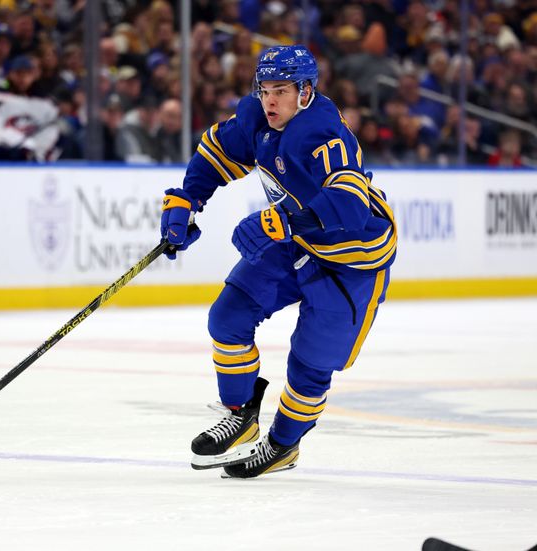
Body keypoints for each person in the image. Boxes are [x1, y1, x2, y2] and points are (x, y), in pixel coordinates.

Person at [159, 45, 397, 478]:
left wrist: (281, 221)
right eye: (265, 89)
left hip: (352, 259)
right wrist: (185, 200)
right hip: (296, 239)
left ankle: (283, 446)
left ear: (305, 92)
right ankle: (242, 413)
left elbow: (351, 204)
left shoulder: (322, 131)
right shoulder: (257, 116)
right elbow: (215, 154)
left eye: (281, 90)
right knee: (228, 316)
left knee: (310, 364)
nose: (270, 100)